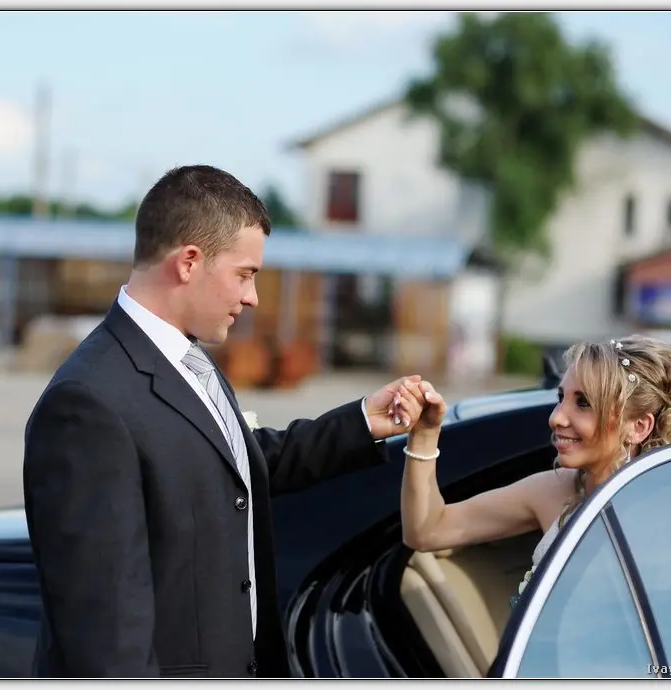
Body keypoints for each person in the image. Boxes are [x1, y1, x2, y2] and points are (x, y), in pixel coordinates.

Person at [22, 164, 423, 678]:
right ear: (189, 262)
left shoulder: (186, 358)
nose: (252, 297)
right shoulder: (87, 404)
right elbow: (105, 630)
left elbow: (234, 463)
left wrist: (363, 421)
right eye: (245, 274)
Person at [397, 334, 671, 603]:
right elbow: (428, 530)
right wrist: (424, 435)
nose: (556, 417)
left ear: (638, 426)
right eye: (561, 398)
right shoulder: (553, 491)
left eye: (583, 403)